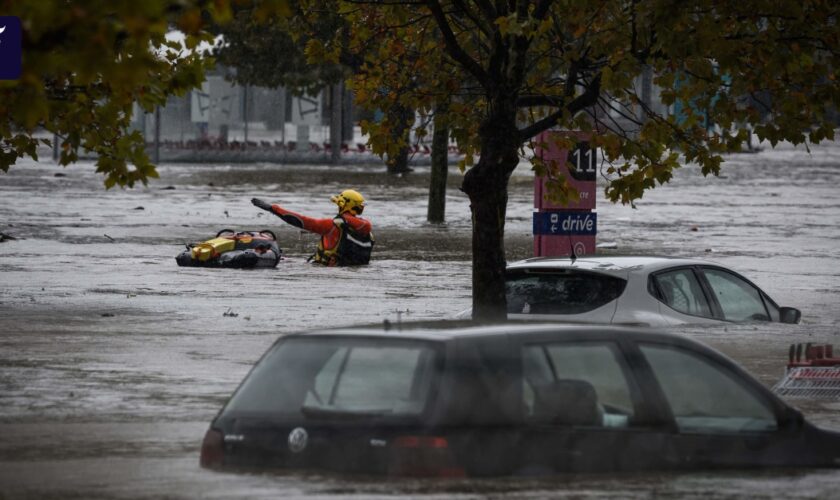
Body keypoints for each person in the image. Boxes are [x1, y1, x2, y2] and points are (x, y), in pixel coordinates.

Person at [251, 189, 374, 266]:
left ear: (342, 205)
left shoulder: (332, 225)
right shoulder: (368, 232)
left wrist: (273, 209)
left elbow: (301, 221)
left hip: (327, 272)